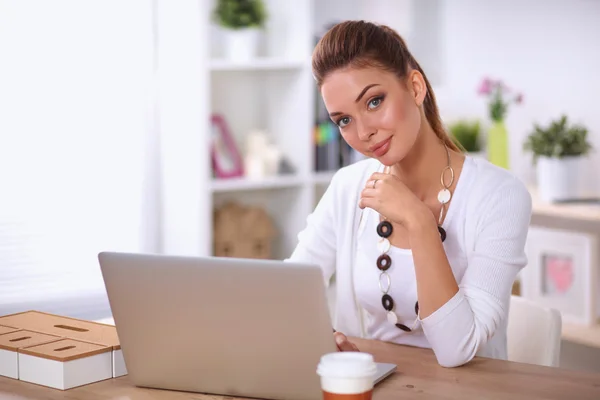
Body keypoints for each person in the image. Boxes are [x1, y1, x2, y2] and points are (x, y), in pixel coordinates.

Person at [286, 20, 532, 368]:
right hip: (374, 385)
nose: (364, 132)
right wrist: (319, 335)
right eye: (343, 120)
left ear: (415, 87)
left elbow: (456, 349)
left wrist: (418, 220)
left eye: (373, 102)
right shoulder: (348, 187)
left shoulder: (500, 196)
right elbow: (290, 291)